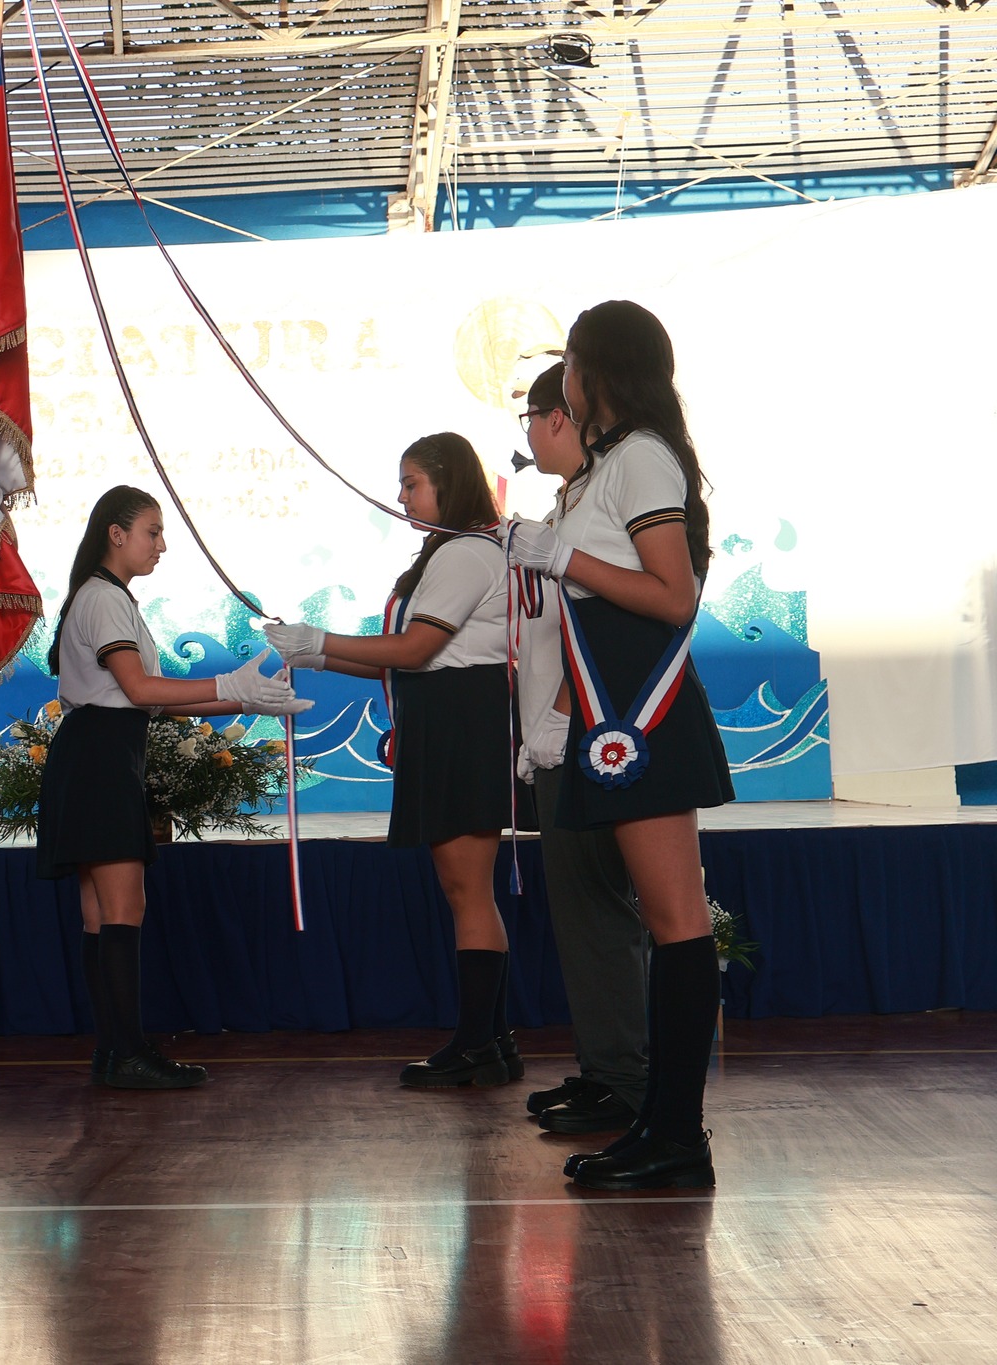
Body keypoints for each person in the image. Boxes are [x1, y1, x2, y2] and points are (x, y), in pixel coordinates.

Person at [508, 300, 734, 1191]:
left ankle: (676, 1132)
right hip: (618, 720)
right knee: (673, 924)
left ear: (598, 370)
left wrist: (562, 557)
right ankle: (665, 1122)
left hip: (642, 716)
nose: (562, 375)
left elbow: (673, 595)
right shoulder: (611, 466)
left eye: (570, 359)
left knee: (677, 925)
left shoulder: (640, 457)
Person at [267, 434, 532, 1088]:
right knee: (466, 888)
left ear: (448, 481)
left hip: (461, 722)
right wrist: (316, 655)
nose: (402, 495)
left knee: (467, 888)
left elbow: (414, 649)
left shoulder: (467, 552)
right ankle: (491, 1042)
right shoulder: (449, 553)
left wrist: (319, 638)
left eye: (411, 482)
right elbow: (409, 657)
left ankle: (478, 1045)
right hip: (448, 716)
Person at [37, 486, 309, 1089]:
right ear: (116, 533)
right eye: (152, 532)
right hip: (101, 757)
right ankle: (127, 1051)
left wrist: (244, 697)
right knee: (121, 908)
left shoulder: (105, 596)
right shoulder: (104, 598)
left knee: (97, 914)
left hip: (98, 750)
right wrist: (229, 682)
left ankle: (114, 1050)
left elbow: (149, 704)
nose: (161, 545)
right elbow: (138, 690)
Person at [514, 363, 647, 1136]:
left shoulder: (599, 502)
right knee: (580, 915)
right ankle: (606, 1067)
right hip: (556, 735)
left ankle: (629, 1076)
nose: (528, 436)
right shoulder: (565, 504)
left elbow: (599, 631)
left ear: (561, 418)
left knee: (601, 910)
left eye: (532, 418)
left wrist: (560, 720)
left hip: (591, 735)